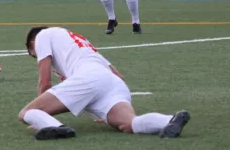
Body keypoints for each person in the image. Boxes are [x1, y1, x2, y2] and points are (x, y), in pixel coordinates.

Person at [18, 26, 190, 140]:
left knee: (27, 112)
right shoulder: (78, 44)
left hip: (90, 76)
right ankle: (169, 120)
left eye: (33, 54)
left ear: (32, 44)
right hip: (113, 83)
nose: (37, 56)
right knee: (129, 123)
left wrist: (41, 115)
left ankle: (55, 127)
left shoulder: (42, 36)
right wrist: (101, 112)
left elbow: (45, 80)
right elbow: (117, 76)